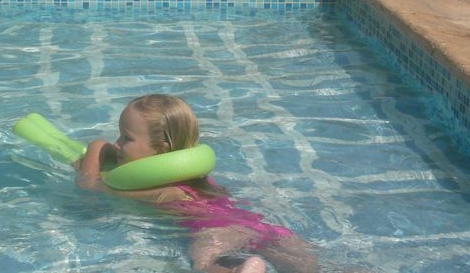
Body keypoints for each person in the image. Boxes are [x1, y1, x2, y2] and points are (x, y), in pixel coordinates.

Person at [74, 94, 321, 273]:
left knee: (205, 266)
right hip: (260, 226)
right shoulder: (199, 179)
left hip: (217, 232)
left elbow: (91, 186)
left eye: (125, 138)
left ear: (162, 149)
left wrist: (97, 148)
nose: (116, 144)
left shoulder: (167, 191)